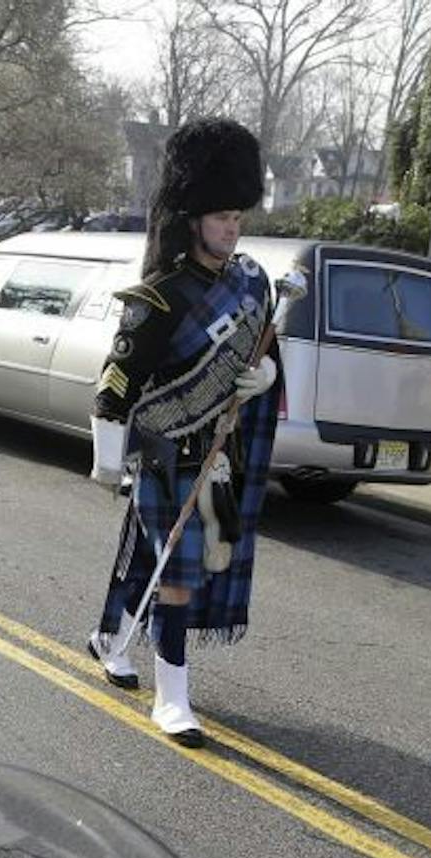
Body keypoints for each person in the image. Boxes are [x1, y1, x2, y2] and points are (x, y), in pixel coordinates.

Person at [86, 118, 282, 744]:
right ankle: (172, 698)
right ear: (192, 217)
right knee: (178, 573)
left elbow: (265, 352)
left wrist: (267, 373)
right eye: (220, 216)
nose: (232, 227)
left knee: (154, 557)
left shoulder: (252, 284)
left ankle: (109, 638)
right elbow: (114, 387)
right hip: (164, 455)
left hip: (219, 457)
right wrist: (108, 463)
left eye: (237, 216)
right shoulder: (158, 299)